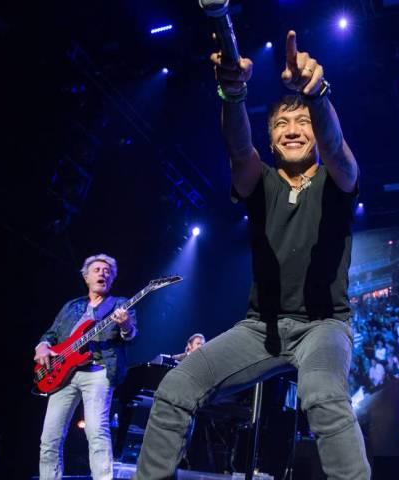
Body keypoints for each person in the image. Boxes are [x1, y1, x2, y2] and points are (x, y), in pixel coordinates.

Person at [133, 30, 370, 479]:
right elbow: (239, 148)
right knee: (175, 388)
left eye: (302, 122)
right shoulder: (259, 182)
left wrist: (315, 95)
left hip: (324, 325)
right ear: (272, 138)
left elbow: (337, 149)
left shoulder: (336, 180)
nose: (293, 131)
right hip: (259, 328)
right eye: (281, 125)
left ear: (315, 133)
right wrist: (234, 94)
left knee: (321, 394)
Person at [35, 253, 137, 480]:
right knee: (49, 437)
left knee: (96, 432)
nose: (103, 273)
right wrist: (42, 346)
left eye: (108, 271)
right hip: (62, 374)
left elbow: (131, 337)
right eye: (98, 270)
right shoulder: (72, 306)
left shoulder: (120, 304)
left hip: (98, 371)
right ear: (86, 277)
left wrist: (126, 325)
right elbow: (51, 334)